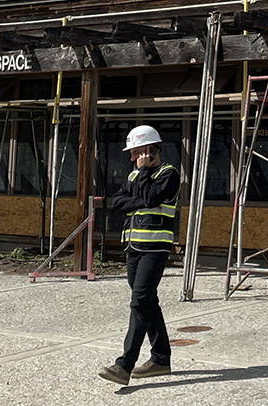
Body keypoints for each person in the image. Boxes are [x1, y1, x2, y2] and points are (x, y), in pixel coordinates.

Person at [98, 125, 180, 387]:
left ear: (151, 149)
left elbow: (154, 195)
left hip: (155, 249)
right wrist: (143, 199)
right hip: (133, 248)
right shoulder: (135, 176)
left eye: (137, 153)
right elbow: (118, 202)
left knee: (139, 301)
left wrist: (145, 177)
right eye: (132, 154)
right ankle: (160, 358)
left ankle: (124, 365)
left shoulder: (169, 174)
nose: (133, 159)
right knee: (147, 302)